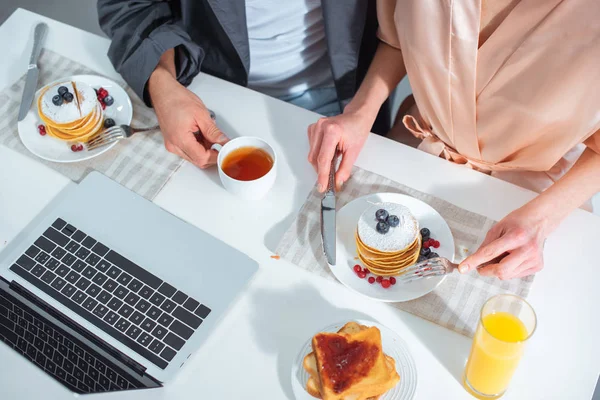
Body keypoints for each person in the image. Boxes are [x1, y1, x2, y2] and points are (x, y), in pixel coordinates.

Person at [308, 0, 600, 280]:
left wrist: (540, 220)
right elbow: (397, 38)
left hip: (528, 204)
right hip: (414, 149)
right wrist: (360, 113)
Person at [97, 0, 390, 169]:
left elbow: (406, 25)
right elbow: (129, 6)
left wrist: (361, 111)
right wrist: (161, 83)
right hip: (205, 95)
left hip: (346, 101)